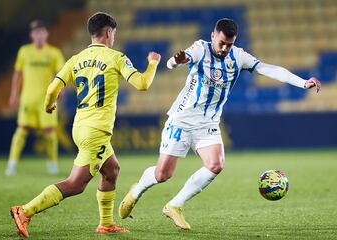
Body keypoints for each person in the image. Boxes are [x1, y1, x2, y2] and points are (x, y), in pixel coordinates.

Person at [119, 18, 321, 230]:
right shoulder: (200, 48)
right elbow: (174, 62)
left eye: (229, 44)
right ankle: (136, 191)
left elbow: (268, 69)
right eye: (222, 43)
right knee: (163, 175)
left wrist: (302, 82)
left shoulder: (239, 56)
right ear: (213, 36)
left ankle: (175, 205)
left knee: (216, 164)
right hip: (181, 120)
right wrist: (176, 61)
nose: (224, 48)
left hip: (208, 122)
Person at [9, 12, 160, 237]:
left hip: (80, 127)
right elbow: (142, 84)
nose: (114, 38)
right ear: (109, 33)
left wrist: (49, 106)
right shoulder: (116, 57)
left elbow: (52, 89)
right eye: (114, 34)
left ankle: (106, 224)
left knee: (112, 170)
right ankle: (25, 211)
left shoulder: (75, 59)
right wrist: (152, 64)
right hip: (96, 132)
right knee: (76, 184)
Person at [5, 20, 65, 176]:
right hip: (28, 99)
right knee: (22, 130)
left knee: (50, 131)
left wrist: (61, 89)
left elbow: (61, 74)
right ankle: (12, 164)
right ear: (32, 34)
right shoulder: (24, 52)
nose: (39, 35)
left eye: (42, 32)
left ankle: (52, 164)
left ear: (46, 34)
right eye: (36, 32)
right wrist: (13, 94)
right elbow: (17, 74)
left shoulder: (54, 53)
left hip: (47, 99)